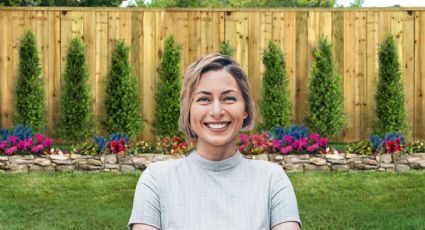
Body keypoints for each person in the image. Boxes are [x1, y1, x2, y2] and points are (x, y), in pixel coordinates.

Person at [128, 54, 301, 230]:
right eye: (204, 99)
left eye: (229, 98)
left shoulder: (272, 180)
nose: (217, 111)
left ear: (246, 109)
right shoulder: (156, 180)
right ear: (188, 110)